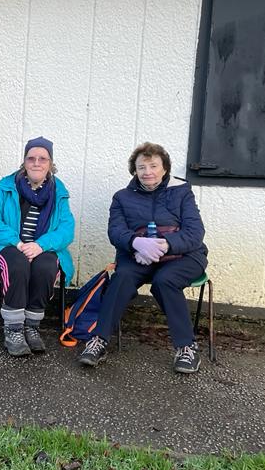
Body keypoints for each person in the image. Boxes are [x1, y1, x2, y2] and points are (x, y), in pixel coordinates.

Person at [78, 142, 208, 374]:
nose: (148, 172)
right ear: (134, 171)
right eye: (141, 167)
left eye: (153, 166)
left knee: (165, 281)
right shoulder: (122, 198)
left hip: (184, 256)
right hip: (138, 256)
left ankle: (187, 348)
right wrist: (136, 243)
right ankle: (99, 340)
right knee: (122, 278)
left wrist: (165, 245)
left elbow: (195, 233)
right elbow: (115, 231)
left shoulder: (182, 193)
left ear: (164, 169)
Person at [0, 137, 75, 356]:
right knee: (16, 263)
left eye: (42, 158)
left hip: (41, 247)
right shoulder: (6, 187)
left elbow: (67, 230)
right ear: (24, 162)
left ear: (50, 163)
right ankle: (14, 329)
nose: (36, 162)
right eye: (31, 158)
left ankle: (32, 326)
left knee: (46, 265)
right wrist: (18, 243)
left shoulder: (59, 192)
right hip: (5, 245)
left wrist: (40, 245)